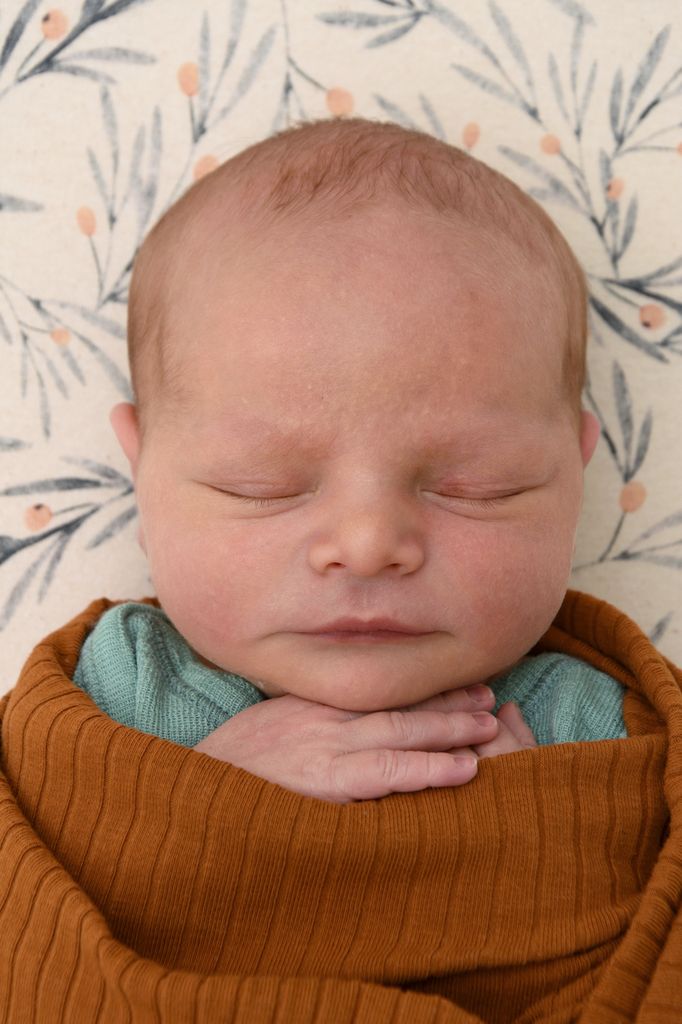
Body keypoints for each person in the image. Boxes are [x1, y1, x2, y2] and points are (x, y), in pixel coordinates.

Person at [71, 116, 626, 801]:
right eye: (261, 484)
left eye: (476, 486)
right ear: (142, 478)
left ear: (574, 483)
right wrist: (199, 798)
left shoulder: (597, 727)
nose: (367, 547)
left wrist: (555, 833)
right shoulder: (116, 691)